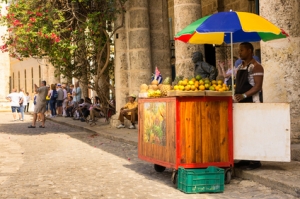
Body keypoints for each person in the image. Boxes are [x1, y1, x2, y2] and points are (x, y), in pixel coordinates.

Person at [234, 42, 264, 170]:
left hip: (252, 102)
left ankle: (255, 160)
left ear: (250, 51)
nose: (239, 52)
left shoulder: (256, 67)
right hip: (240, 103)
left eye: (242, 50)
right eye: (239, 50)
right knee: (243, 132)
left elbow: (257, 87)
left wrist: (244, 95)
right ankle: (245, 158)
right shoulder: (240, 66)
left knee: (252, 131)